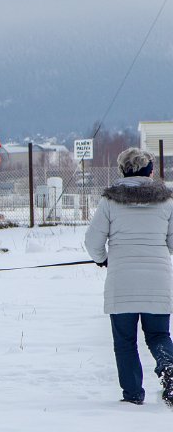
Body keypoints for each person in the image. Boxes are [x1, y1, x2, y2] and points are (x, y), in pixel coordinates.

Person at [85, 147, 173, 406]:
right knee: (158, 336)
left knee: (125, 342)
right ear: (150, 172)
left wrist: (103, 259)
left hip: (122, 282)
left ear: (123, 171)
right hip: (158, 281)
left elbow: (93, 241)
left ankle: (133, 395)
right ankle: (169, 368)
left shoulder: (110, 201)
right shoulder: (167, 201)